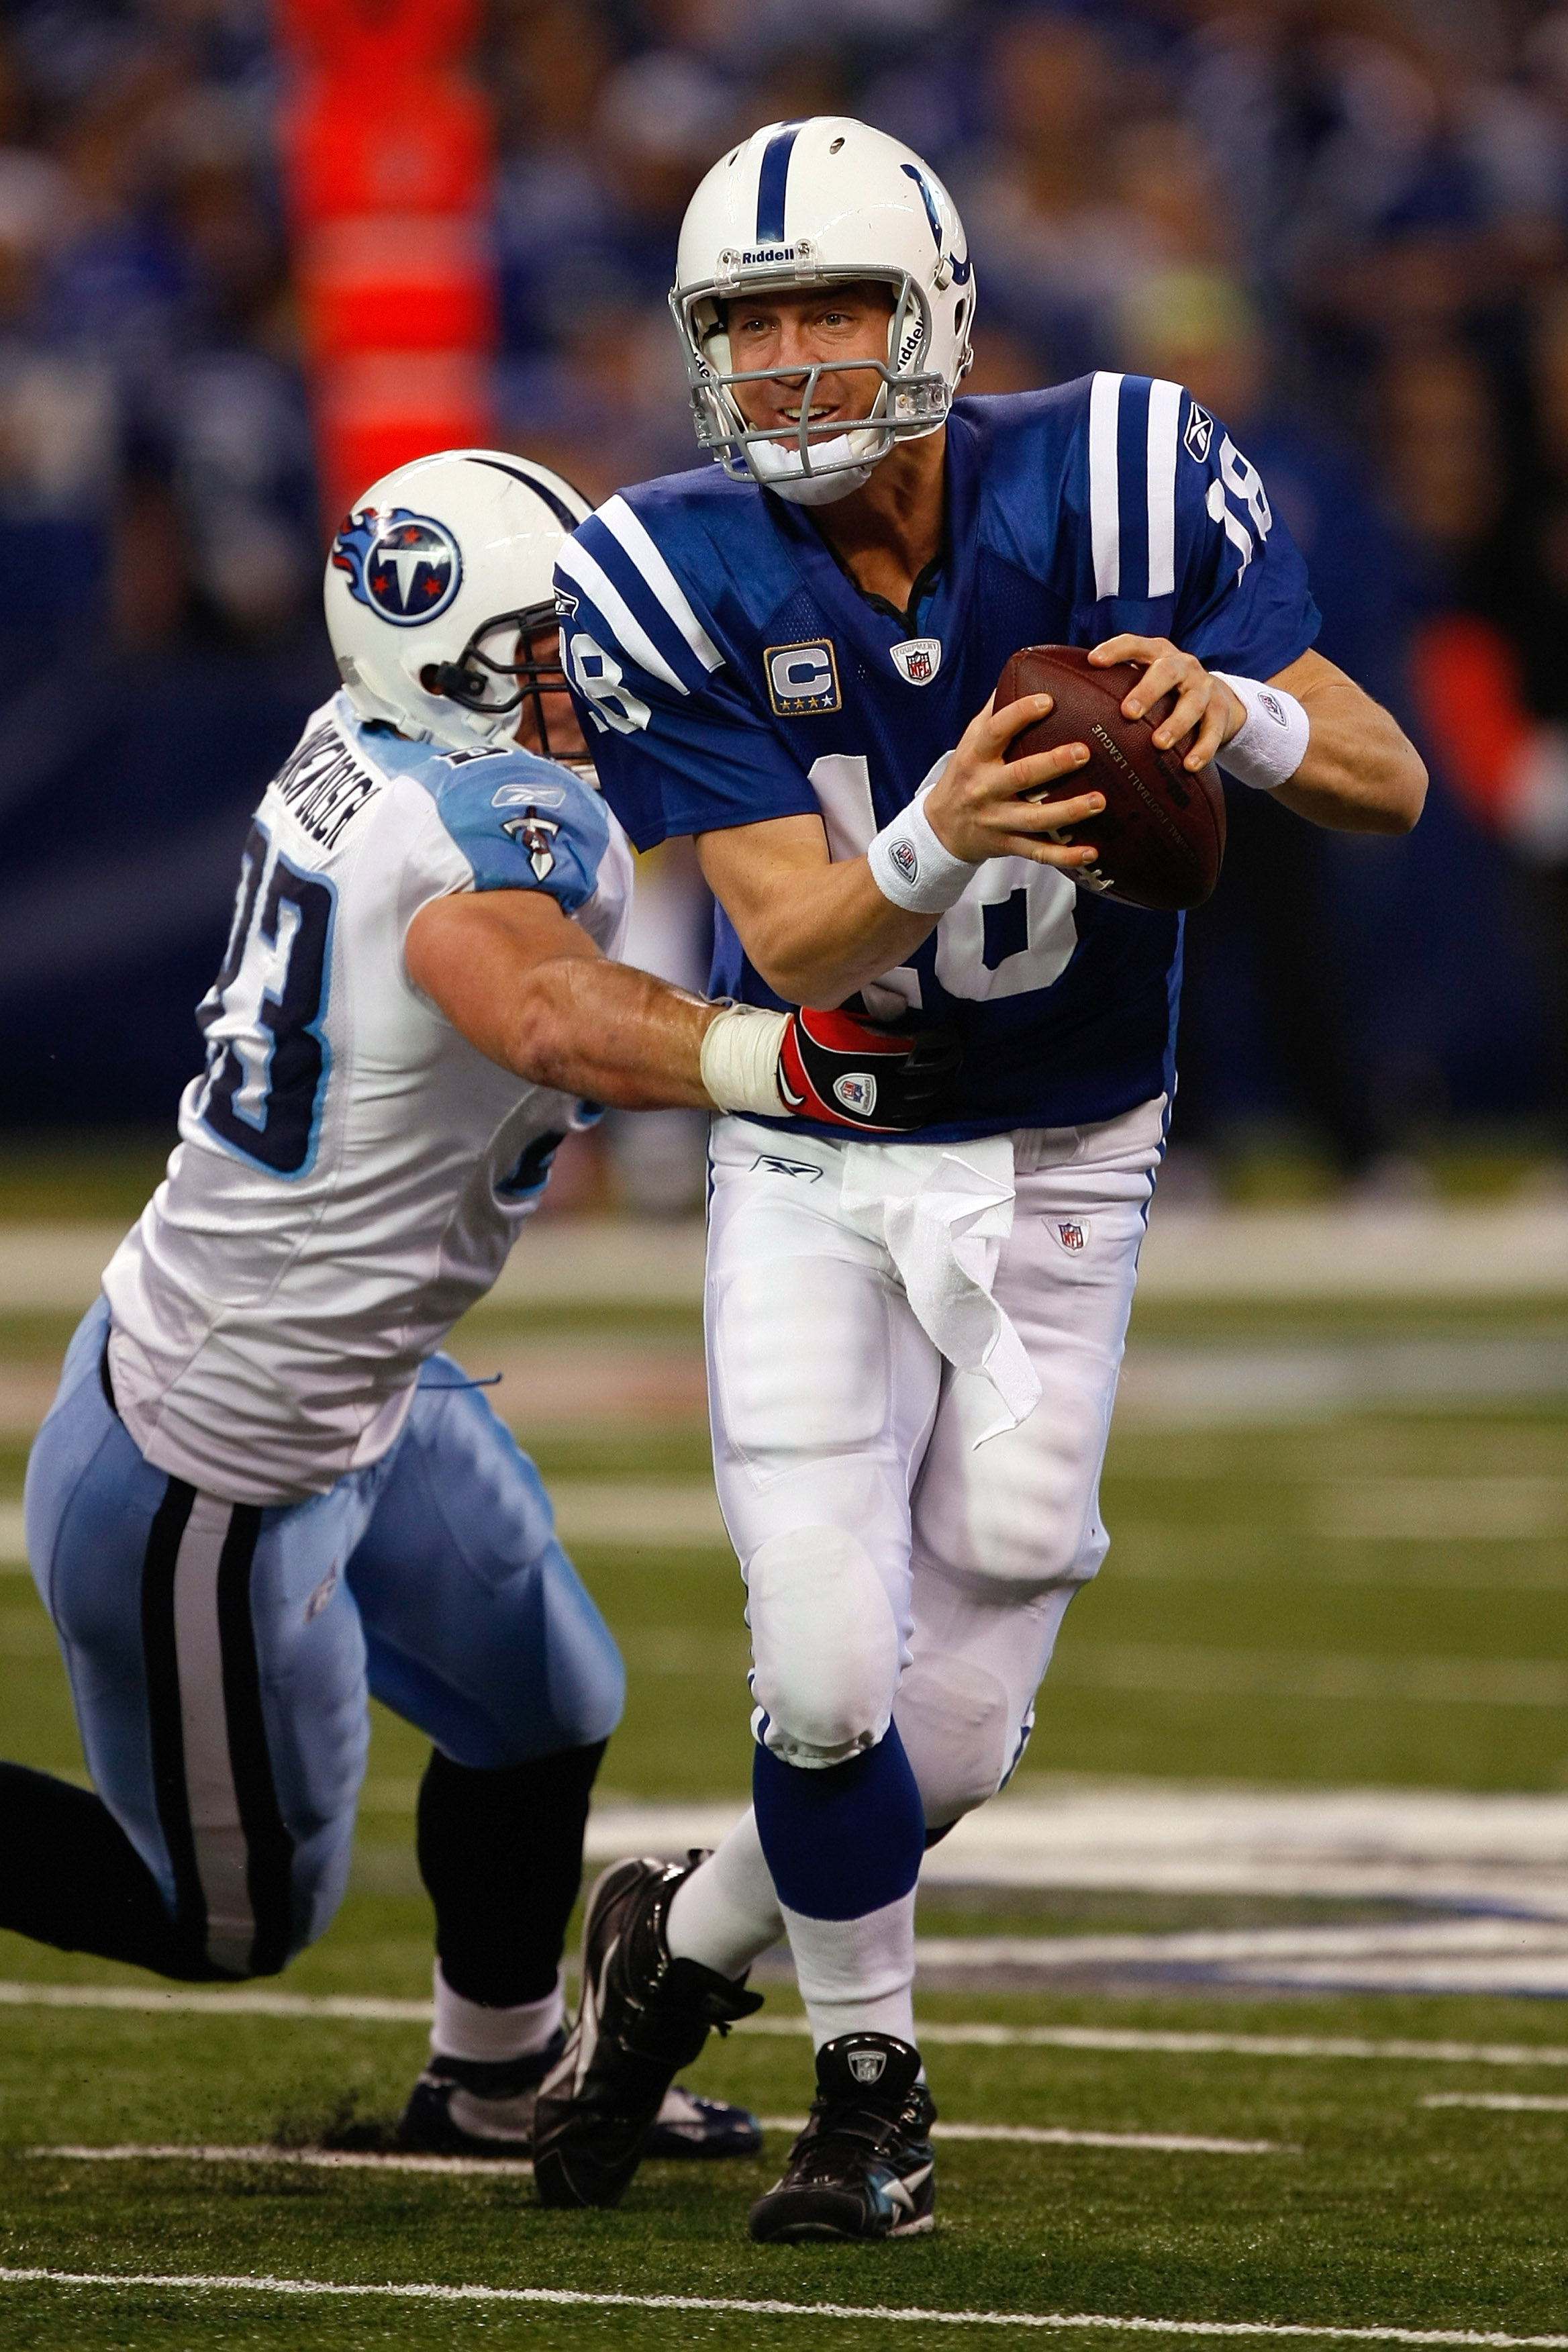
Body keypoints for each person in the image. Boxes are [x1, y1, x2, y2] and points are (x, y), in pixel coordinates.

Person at [531, 117, 1427, 2240]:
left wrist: (1244, 717)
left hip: (1068, 1151)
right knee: (826, 1675)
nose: (800, 361)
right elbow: (805, 932)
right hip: (828, 1148)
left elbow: (1383, 779)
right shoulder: (667, 561)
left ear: (933, 304)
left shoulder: (1121, 473)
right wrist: (938, 831)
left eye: (835, 305)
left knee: (943, 1738)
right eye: (754, 322)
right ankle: (874, 2097)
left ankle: (679, 1945)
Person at [1, 444, 948, 2164]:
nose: (582, 677)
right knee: (228, 1923)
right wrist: (767, 1057)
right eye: (545, 649)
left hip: (356, 1372)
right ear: (447, 663)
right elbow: (536, 1011)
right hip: (221, 1453)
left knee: (545, 1704)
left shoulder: (365, 748)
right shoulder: (482, 821)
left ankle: (492, 2077)